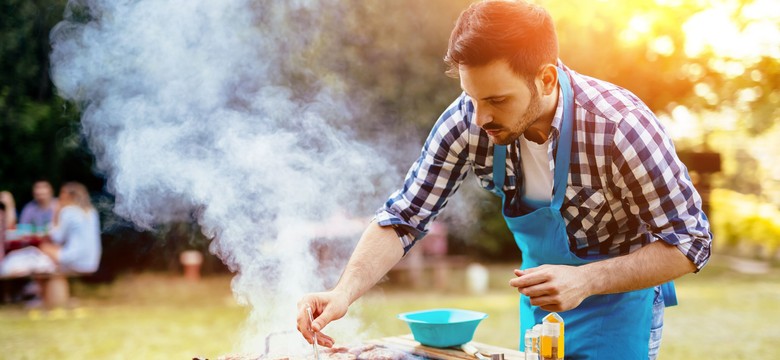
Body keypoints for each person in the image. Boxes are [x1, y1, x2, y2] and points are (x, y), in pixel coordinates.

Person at [296, 1, 711, 359]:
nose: (480, 118)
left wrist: (587, 279)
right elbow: (404, 216)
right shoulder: (468, 120)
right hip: (539, 308)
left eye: (496, 100)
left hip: (618, 308)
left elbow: (692, 242)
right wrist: (343, 292)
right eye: (472, 97)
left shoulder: (620, 128)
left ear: (546, 79)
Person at [39, 182, 102, 274]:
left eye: (62, 194)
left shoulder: (68, 211)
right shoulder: (92, 212)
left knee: (42, 248)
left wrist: (56, 213)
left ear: (70, 196)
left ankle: (36, 286)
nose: (59, 198)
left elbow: (57, 238)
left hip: (74, 260)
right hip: (92, 262)